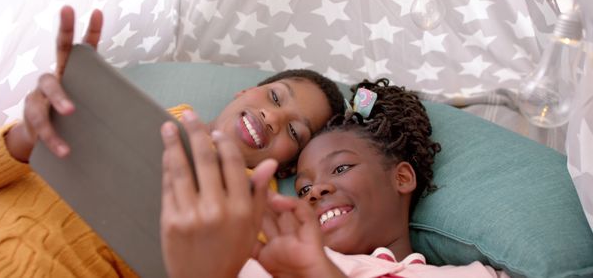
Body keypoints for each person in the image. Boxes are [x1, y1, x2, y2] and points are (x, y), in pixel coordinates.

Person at [0, 6, 344, 277]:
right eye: (275, 97)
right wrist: (23, 139)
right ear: (243, 93)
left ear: (291, 163)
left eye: (295, 131)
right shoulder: (113, 110)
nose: (273, 119)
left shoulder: (254, 219)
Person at [160, 78, 509, 278]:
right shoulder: (270, 261)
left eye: (341, 168)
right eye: (303, 188)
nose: (316, 191)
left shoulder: (467, 276)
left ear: (402, 177)